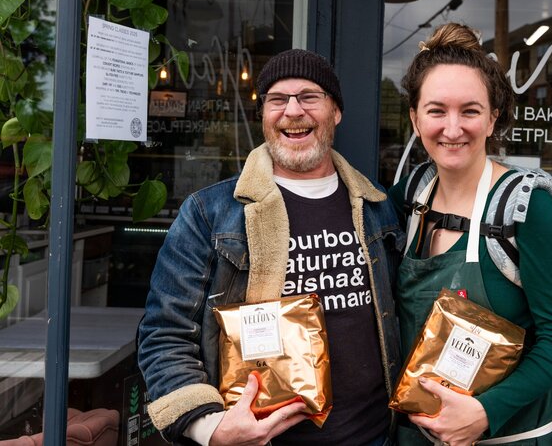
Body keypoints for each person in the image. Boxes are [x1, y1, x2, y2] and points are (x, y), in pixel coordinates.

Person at [138, 49, 403, 446]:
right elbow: (165, 333)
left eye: (309, 97)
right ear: (264, 115)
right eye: (277, 100)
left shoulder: (378, 208)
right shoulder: (209, 214)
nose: (292, 111)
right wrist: (210, 426)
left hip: (375, 438)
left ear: (336, 112)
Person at [389, 23, 552, 446]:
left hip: (508, 439)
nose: (453, 128)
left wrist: (485, 412)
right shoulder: (409, 197)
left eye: (470, 111)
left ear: (493, 118)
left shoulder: (529, 209)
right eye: (437, 110)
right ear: (414, 117)